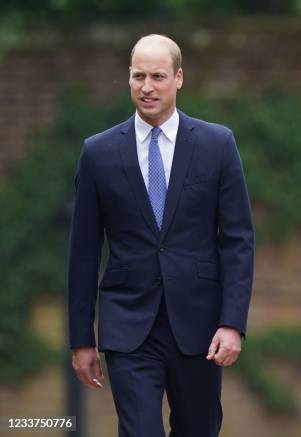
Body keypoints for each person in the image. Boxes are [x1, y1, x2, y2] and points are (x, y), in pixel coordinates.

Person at [68, 34, 254, 437]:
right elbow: (82, 251)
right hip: (128, 324)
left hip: (200, 326)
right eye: (138, 76)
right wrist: (81, 338)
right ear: (128, 79)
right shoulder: (98, 152)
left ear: (179, 78)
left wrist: (232, 322)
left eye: (157, 76)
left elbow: (237, 239)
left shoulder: (216, 144)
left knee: (198, 428)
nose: (147, 86)